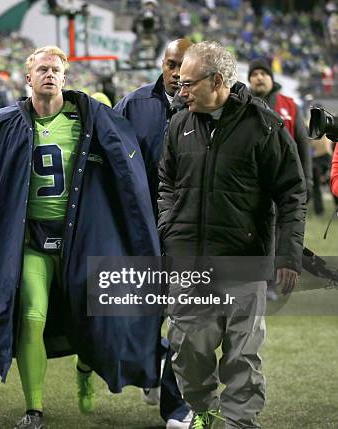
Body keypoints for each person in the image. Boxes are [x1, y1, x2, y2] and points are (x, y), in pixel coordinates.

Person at [0, 46, 162, 429]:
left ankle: (85, 370)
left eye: (56, 69)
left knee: (91, 319)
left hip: (80, 239)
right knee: (31, 317)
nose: (49, 75)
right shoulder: (6, 124)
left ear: (65, 78)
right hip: (33, 239)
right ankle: (33, 408)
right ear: (28, 78)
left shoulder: (90, 119)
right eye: (42, 69)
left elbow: (126, 167)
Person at [158, 41, 306, 428]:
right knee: (187, 350)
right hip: (189, 262)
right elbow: (166, 183)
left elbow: (291, 193)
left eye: (189, 83)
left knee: (242, 355)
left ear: (218, 81)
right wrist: (169, 227)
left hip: (244, 262)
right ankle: (204, 411)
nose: (180, 89)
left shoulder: (265, 126)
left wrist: (288, 256)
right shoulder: (178, 124)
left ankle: (239, 423)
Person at [114, 38, 193, 429]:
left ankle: (175, 407)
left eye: (184, 64)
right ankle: (154, 363)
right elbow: (111, 157)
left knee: (183, 319)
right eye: (171, 63)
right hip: (141, 230)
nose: (177, 73)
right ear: (162, 63)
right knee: (139, 316)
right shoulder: (133, 105)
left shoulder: (206, 108)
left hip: (187, 230)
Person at [248, 58, 312, 196]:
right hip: (251, 181)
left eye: (263, 73)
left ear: (271, 77)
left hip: (285, 179)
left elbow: (302, 143)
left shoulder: (290, 106)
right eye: (254, 74)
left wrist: (308, 179)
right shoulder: (242, 106)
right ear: (249, 80)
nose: (259, 77)